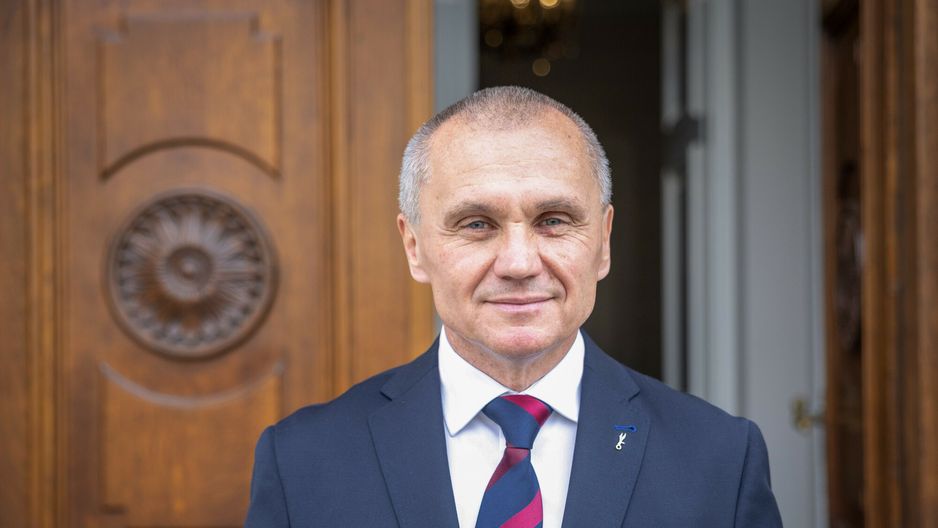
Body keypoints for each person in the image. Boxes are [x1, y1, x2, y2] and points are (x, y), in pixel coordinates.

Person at [245, 86, 783, 527]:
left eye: (554, 220)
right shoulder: (301, 463)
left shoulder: (719, 459)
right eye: (477, 224)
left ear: (603, 242)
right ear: (414, 247)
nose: (520, 263)